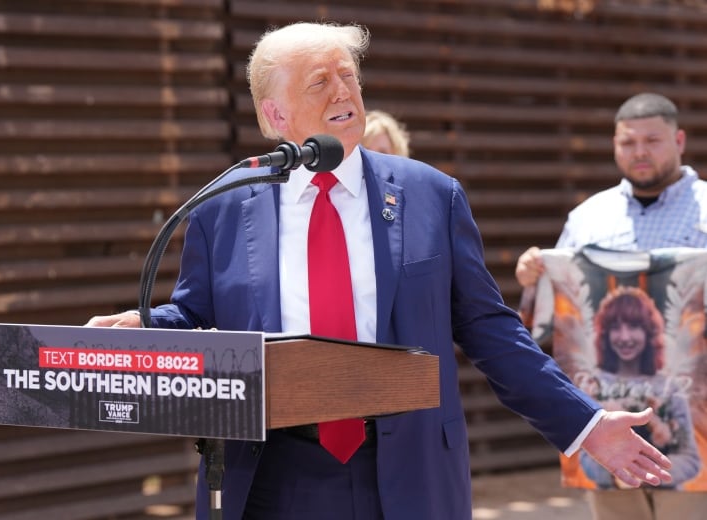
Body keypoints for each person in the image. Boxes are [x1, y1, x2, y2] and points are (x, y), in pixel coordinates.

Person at [87, 24, 673, 520]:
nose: (344, 90)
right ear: (275, 114)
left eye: (349, 76)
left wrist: (586, 425)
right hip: (269, 475)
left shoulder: (430, 196)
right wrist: (145, 322)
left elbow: (491, 330)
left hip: (406, 471)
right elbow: (197, 314)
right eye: (320, 81)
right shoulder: (222, 206)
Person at [516, 91, 707, 519]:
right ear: (614, 145)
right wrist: (533, 277)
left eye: (652, 141)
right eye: (628, 142)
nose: (640, 152)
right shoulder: (587, 217)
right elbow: (551, 320)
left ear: (679, 140)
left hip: (697, 422)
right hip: (603, 422)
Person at [576, 287, 700, 489]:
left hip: (672, 502)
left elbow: (690, 459)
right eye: (616, 327)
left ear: (649, 331)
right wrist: (619, 473)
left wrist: (649, 474)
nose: (625, 337)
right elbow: (585, 456)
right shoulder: (593, 385)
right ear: (605, 334)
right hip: (612, 499)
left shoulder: (669, 386)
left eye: (634, 326)